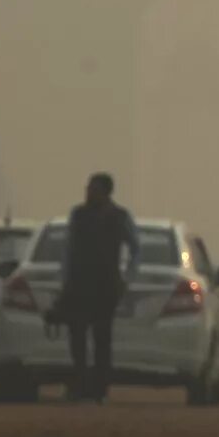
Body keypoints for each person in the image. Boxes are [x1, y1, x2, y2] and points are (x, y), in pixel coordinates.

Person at [56, 173, 141, 403]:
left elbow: (136, 248)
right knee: (78, 338)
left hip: (105, 286)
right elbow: (69, 248)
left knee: (102, 339)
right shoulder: (79, 215)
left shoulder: (120, 217)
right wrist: (65, 281)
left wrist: (127, 278)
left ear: (105, 191)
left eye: (93, 188)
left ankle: (99, 389)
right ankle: (81, 385)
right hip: (79, 284)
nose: (88, 192)